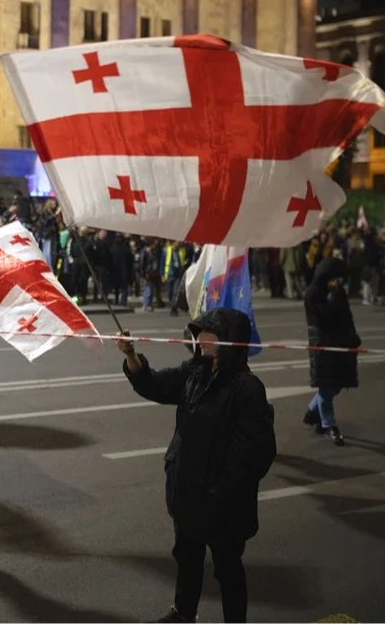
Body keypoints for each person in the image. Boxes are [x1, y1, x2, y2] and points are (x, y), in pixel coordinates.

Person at [117, 309, 276, 623]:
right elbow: (155, 385)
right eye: (199, 332)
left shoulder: (247, 389)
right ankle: (183, 612)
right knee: (187, 558)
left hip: (223, 504)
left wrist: (219, 493)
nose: (200, 339)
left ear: (230, 341)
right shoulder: (194, 372)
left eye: (209, 334)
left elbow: (254, 454)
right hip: (187, 493)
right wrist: (131, 355)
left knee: (227, 569)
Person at [302, 257, 360, 446]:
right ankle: (328, 425)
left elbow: (346, 316)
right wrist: (334, 296)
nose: (338, 282)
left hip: (341, 343)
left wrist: (353, 336)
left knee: (336, 384)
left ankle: (313, 412)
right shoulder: (313, 293)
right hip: (324, 346)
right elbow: (325, 317)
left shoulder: (336, 291)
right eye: (335, 278)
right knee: (326, 386)